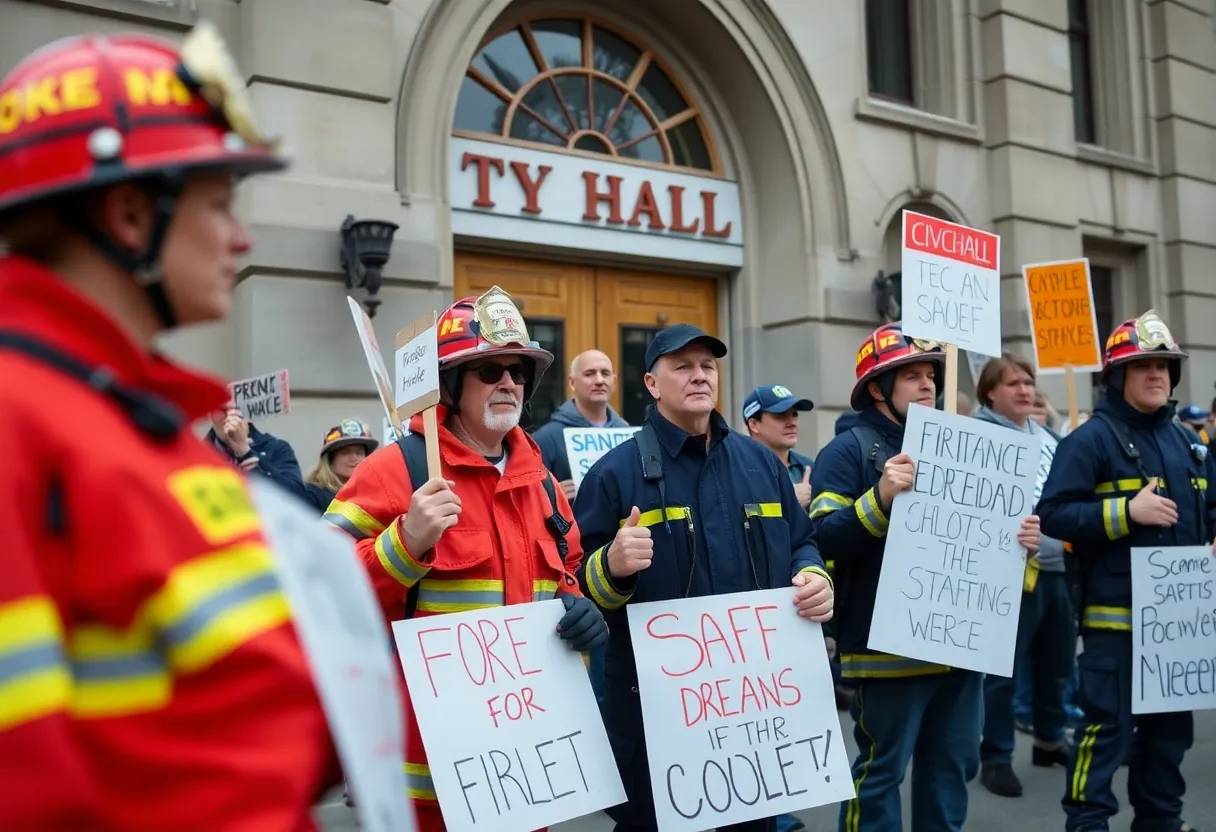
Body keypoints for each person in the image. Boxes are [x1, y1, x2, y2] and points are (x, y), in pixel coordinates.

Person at [0, 23, 340, 829]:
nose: (243, 237)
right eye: (220, 204)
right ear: (127, 216)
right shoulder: (23, 422)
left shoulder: (132, 419)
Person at [323, 286, 608, 832]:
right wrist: (402, 544)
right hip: (427, 777)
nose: (508, 381)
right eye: (488, 370)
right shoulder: (397, 471)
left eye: (518, 371)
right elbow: (315, 586)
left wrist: (580, 608)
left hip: (526, 766)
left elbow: (566, 571)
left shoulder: (542, 481)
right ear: (450, 385)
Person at [572, 323, 833, 832]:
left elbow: (802, 541)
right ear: (651, 383)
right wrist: (611, 565)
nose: (699, 376)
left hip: (754, 708)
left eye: (707, 366)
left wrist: (812, 575)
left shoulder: (761, 463)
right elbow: (575, 589)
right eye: (682, 366)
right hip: (656, 715)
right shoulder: (614, 474)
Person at [809, 323, 1040, 832]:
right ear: (877, 388)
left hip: (962, 649)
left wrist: (1016, 538)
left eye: (930, 375)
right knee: (880, 774)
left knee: (952, 768)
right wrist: (880, 500)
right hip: (886, 651)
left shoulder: (967, 448)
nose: (927, 384)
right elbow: (823, 538)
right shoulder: (847, 452)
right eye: (910, 375)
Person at [1038, 310, 1215, 832]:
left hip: (1178, 630)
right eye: (1143, 366)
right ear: (1118, 375)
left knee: (1169, 738)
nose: (1157, 373)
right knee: (1104, 734)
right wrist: (1123, 514)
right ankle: (1088, 825)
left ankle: (1162, 822)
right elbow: (1054, 514)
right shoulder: (1089, 441)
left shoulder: (1191, 445)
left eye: (1164, 364)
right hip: (1115, 623)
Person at [972, 355, 1073, 798]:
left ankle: (1050, 738)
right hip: (1007, 573)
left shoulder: (1049, 436)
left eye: (1029, 382)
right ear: (990, 392)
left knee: (1056, 662)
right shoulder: (973, 438)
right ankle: (995, 757)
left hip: (1055, 568)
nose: (1025, 390)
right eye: (1013, 383)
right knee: (1002, 673)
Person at [532, 348, 631, 500]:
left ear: (614, 380)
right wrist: (552, 498)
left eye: (605, 373)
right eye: (589, 374)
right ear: (572, 383)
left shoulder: (629, 435)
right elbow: (529, 499)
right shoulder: (545, 439)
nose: (599, 380)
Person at [206, 397, 302, 484]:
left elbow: (296, 498)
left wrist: (245, 452)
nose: (230, 414)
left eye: (237, 408)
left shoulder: (277, 449)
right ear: (209, 414)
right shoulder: (196, 453)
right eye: (221, 409)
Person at [289, 420, 379, 513]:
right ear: (330, 459)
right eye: (345, 452)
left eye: (359, 452)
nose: (354, 458)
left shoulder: (376, 494)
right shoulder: (311, 494)